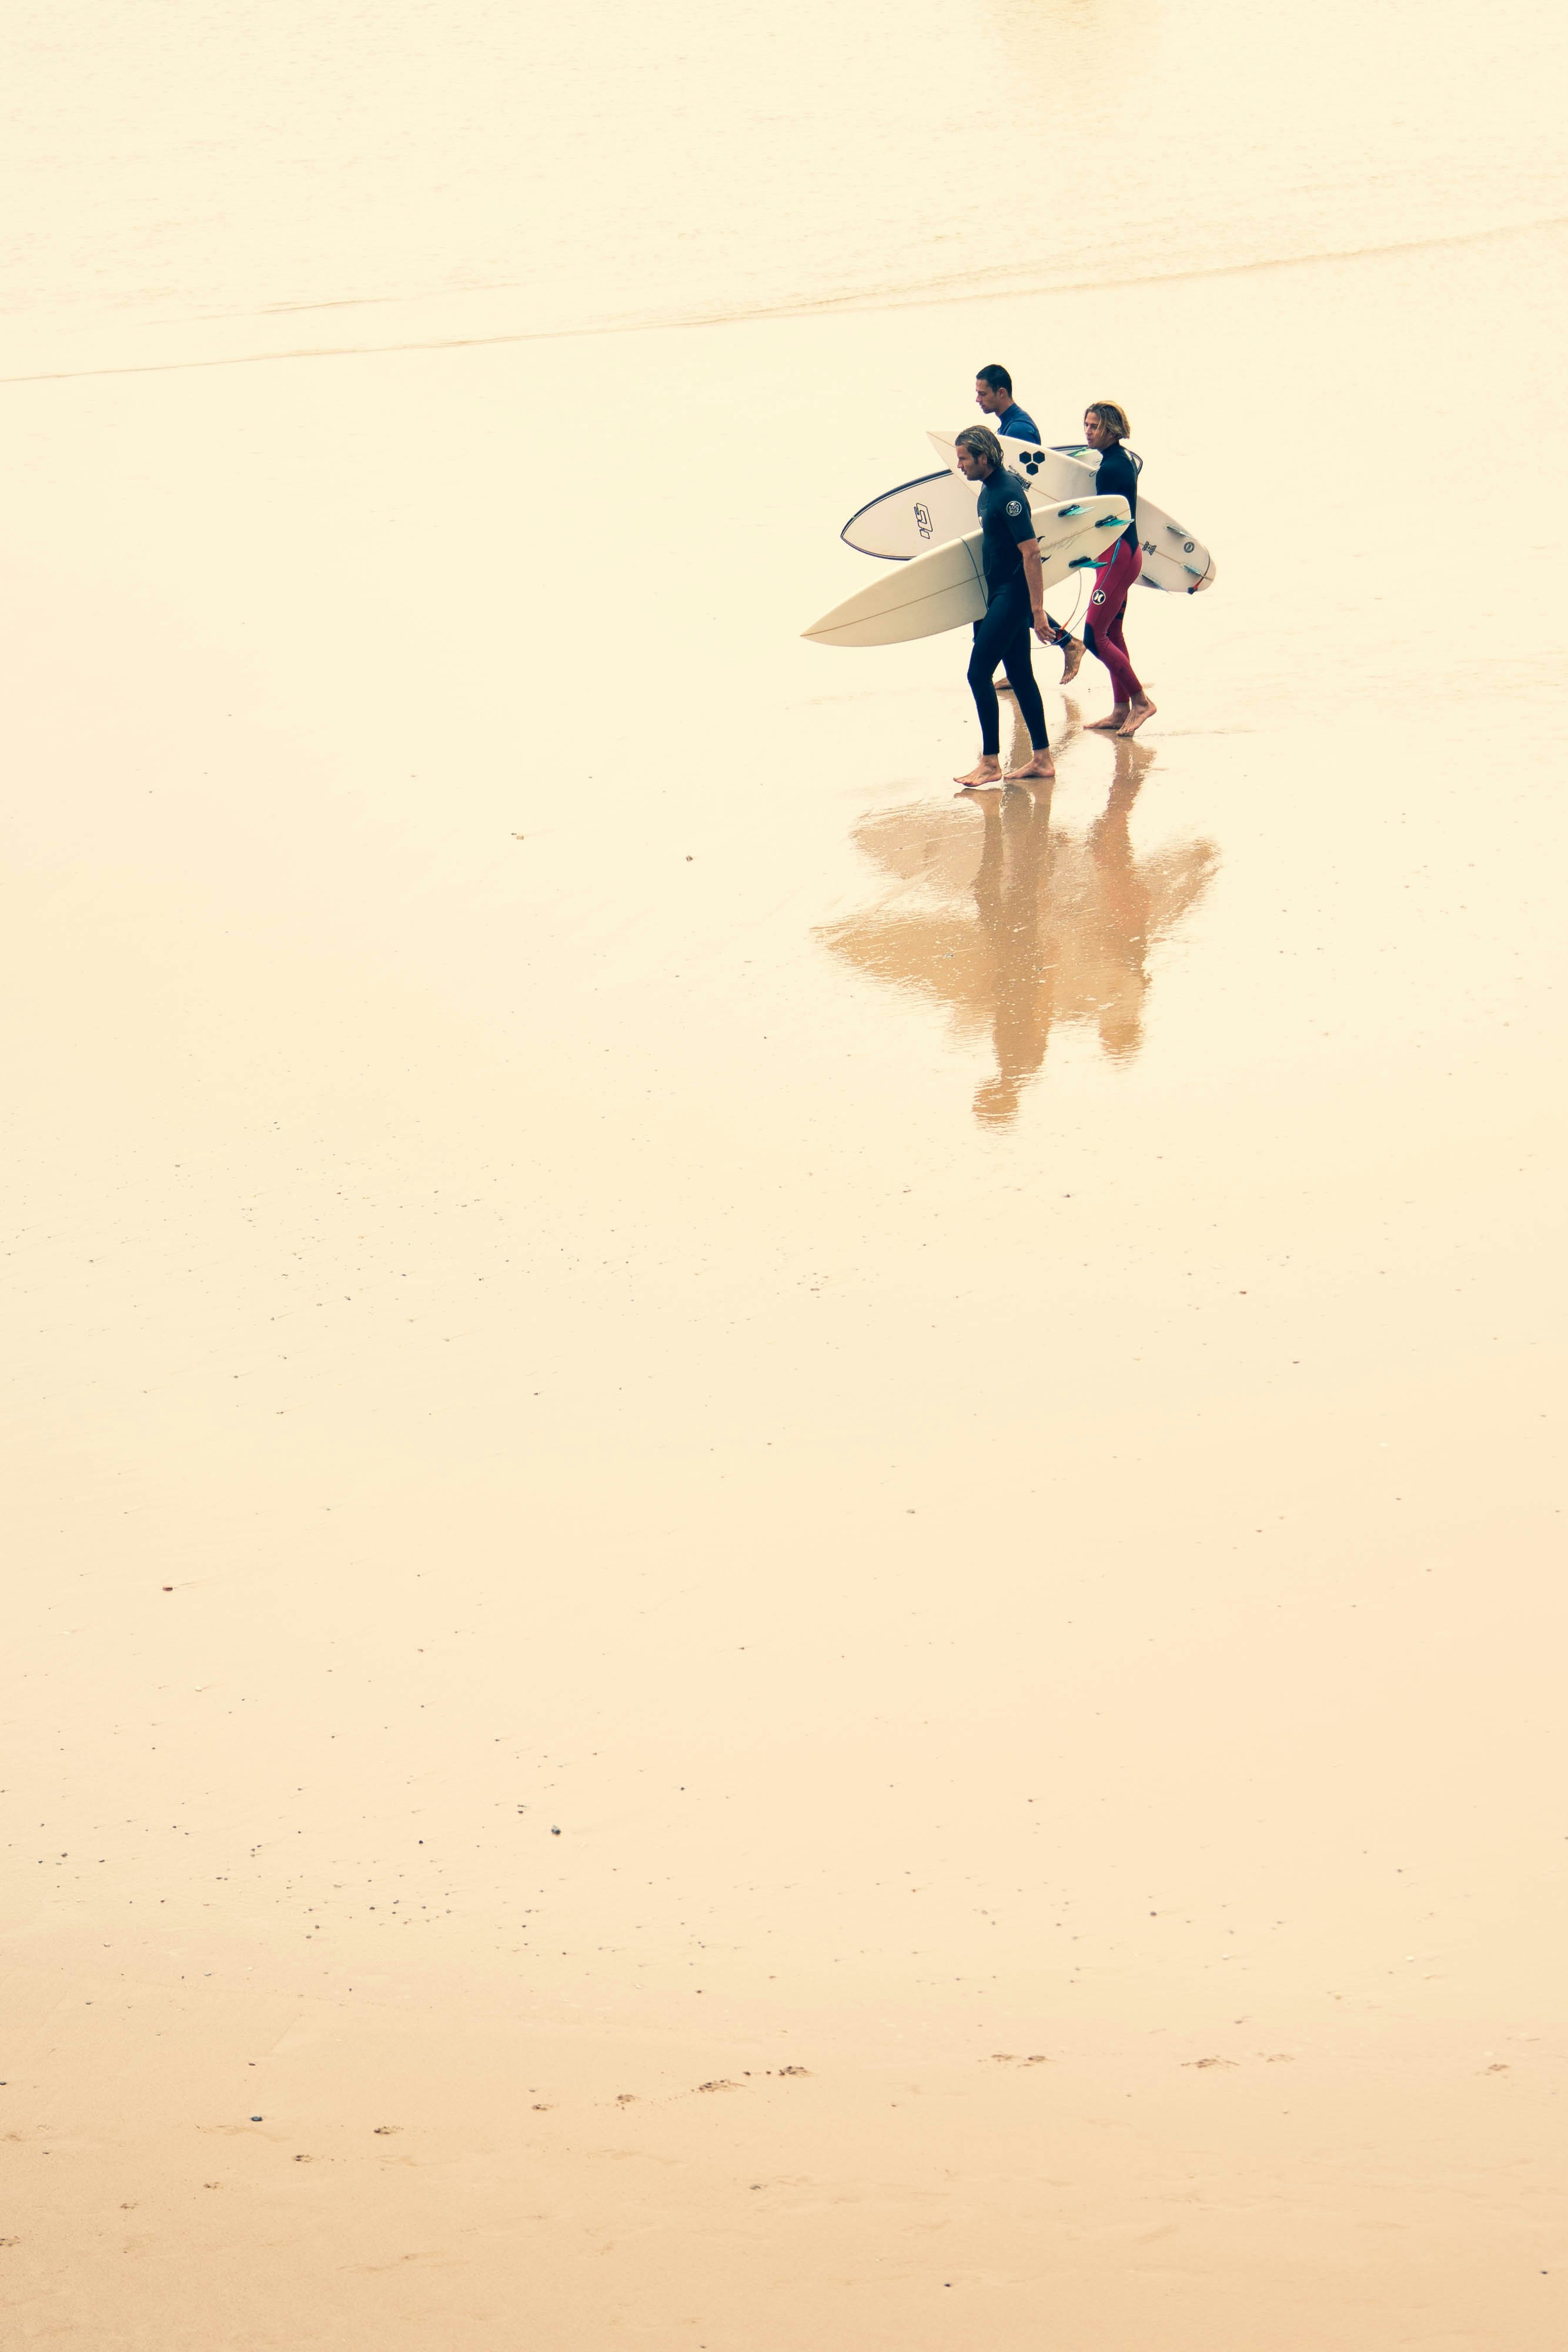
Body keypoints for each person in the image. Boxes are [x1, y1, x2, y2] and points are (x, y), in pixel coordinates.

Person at [950, 425, 1054, 789]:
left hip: (1012, 595)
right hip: (996, 595)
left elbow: (1032, 551)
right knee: (1021, 675)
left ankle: (990, 762)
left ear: (984, 456)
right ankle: (1042, 760)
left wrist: (1037, 611)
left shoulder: (1008, 492)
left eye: (964, 458)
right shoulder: (987, 489)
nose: (959, 464)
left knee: (978, 674)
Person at [975, 365, 1083, 682]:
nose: (978, 399)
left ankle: (1067, 643)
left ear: (1001, 392)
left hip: (1018, 530)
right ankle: (1020, 665)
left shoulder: (1019, 430)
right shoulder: (1010, 424)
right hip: (1010, 526)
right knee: (1011, 598)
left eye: (983, 393)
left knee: (1015, 597)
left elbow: (1020, 485)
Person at [1081, 401, 1156, 738]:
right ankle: (1120, 709)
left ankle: (1140, 701)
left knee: (1093, 638)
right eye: (1086, 425)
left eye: (1094, 426)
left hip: (1117, 557)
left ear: (1111, 430)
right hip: (1123, 554)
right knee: (1113, 633)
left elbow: (1102, 520)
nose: (1088, 431)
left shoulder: (1112, 469)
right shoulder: (1119, 461)